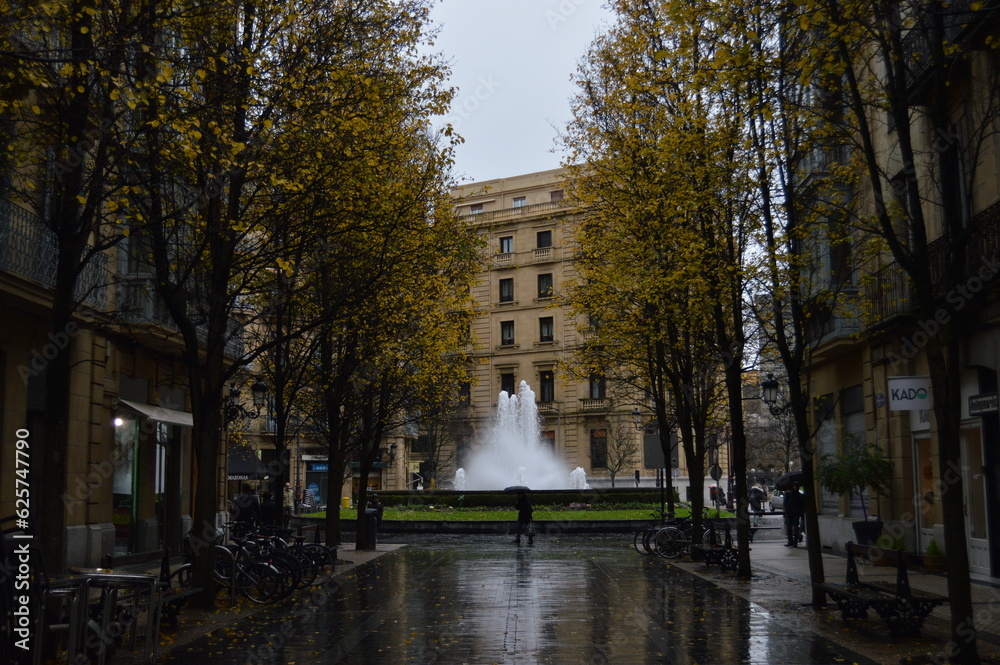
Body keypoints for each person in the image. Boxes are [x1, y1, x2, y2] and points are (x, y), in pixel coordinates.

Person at [783, 481, 805, 547]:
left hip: (795, 513)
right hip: (790, 513)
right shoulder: (790, 494)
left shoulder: (799, 495)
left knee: (795, 528)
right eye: (794, 486)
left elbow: (801, 505)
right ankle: (791, 541)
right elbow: (785, 503)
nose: (794, 487)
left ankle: (794, 542)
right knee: (790, 528)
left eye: (796, 486)